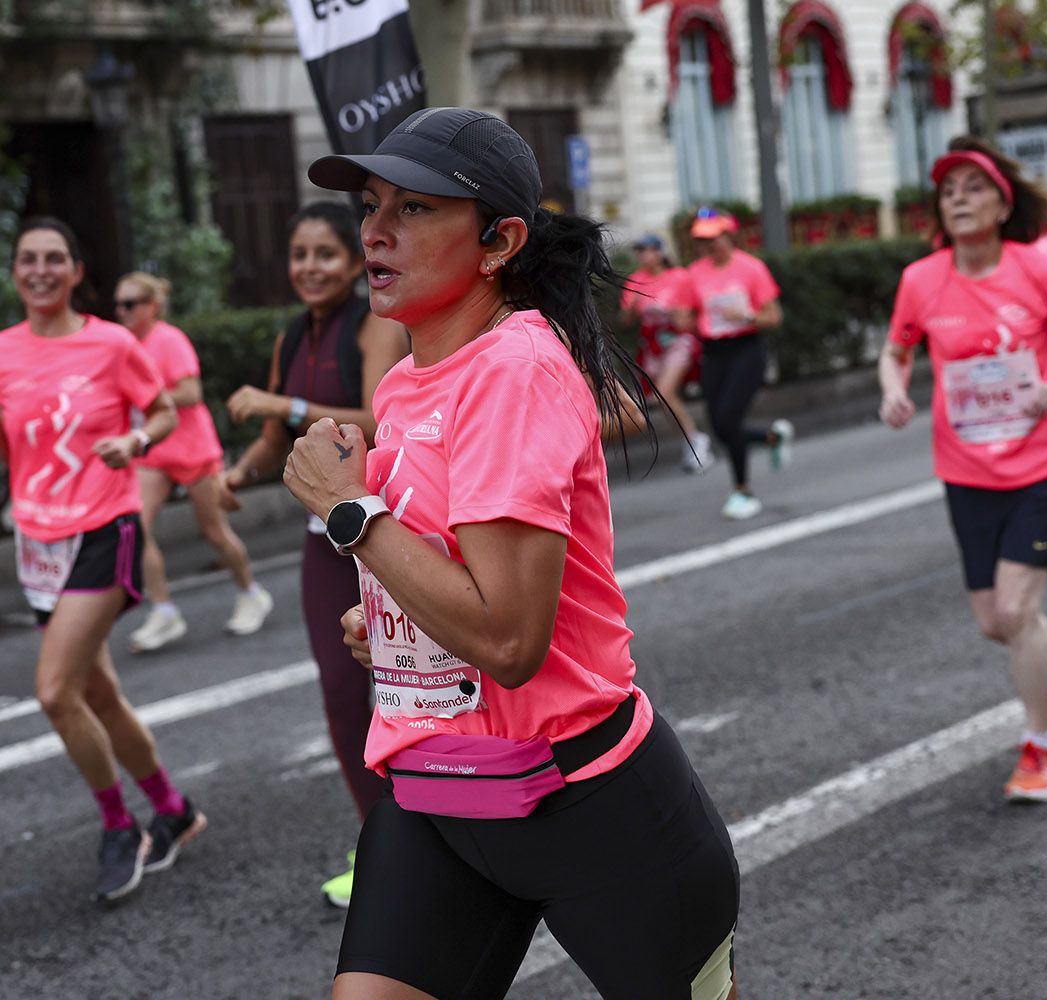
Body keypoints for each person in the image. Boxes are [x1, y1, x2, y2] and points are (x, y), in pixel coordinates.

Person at [287, 107, 740, 1000]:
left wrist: (349, 515)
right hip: (437, 794)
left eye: (414, 209)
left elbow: (508, 639)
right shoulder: (408, 382)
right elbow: (450, 584)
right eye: (371, 206)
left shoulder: (515, 371)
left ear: (499, 242)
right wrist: (390, 621)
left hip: (589, 805)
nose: (374, 231)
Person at [0, 217, 205, 903]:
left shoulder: (112, 342)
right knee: (97, 692)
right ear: (15, 272)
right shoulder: (3, 349)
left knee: (55, 692)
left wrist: (133, 442)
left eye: (53, 259)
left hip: (104, 526)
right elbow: (11, 454)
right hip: (37, 541)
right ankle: (174, 811)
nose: (39, 269)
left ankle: (121, 826)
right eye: (27, 259)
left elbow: (162, 413)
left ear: (73, 270)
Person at [879, 140, 1047, 803]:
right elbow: (896, 352)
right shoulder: (921, 280)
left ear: (1003, 203)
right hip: (967, 469)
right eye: (948, 189)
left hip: (1044, 462)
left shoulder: (1040, 269)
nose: (958, 197)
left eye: (973, 186)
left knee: (1015, 608)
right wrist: (894, 388)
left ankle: (1041, 750)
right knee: (994, 622)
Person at [221, 202, 410, 908]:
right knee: (339, 697)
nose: (309, 268)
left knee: (408, 689)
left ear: (354, 260)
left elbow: (378, 418)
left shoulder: (374, 325)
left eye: (325, 253)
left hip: (380, 537)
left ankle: (439, 836)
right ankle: (385, 843)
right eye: (299, 255)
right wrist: (236, 475)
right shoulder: (293, 334)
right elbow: (277, 439)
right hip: (319, 547)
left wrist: (285, 403)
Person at [111, 272, 273, 652]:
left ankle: (251, 592)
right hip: (151, 451)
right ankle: (164, 611)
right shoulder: (122, 346)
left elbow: (190, 391)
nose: (122, 312)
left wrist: (147, 397)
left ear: (151, 306)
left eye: (130, 304)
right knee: (137, 529)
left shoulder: (169, 340)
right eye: (118, 305)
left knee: (215, 532)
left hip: (191, 449)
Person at [678, 208, 793, 519]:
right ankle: (772, 437)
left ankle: (743, 492)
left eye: (714, 238)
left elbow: (774, 316)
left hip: (747, 350)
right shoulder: (695, 273)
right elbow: (689, 317)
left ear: (729, 236)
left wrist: (745, 315)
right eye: (702, 240)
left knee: (729, 420)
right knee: (718, 425)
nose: (708, 246)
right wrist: (681, 319)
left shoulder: (751, 268)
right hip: (713, 352)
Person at [619, 234, 712, 471]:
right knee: (661, 399)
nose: (643, 255)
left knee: (664, 392)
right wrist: (633, 307)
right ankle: (691, 438)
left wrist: (674, 314)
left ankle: (695, 441)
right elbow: (626, 320)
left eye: (648, 250)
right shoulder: (636, 280)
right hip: (653, 344)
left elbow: (694, 316)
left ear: (660, 252)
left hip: (678, 340)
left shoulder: (679, 277)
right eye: (639, 251)